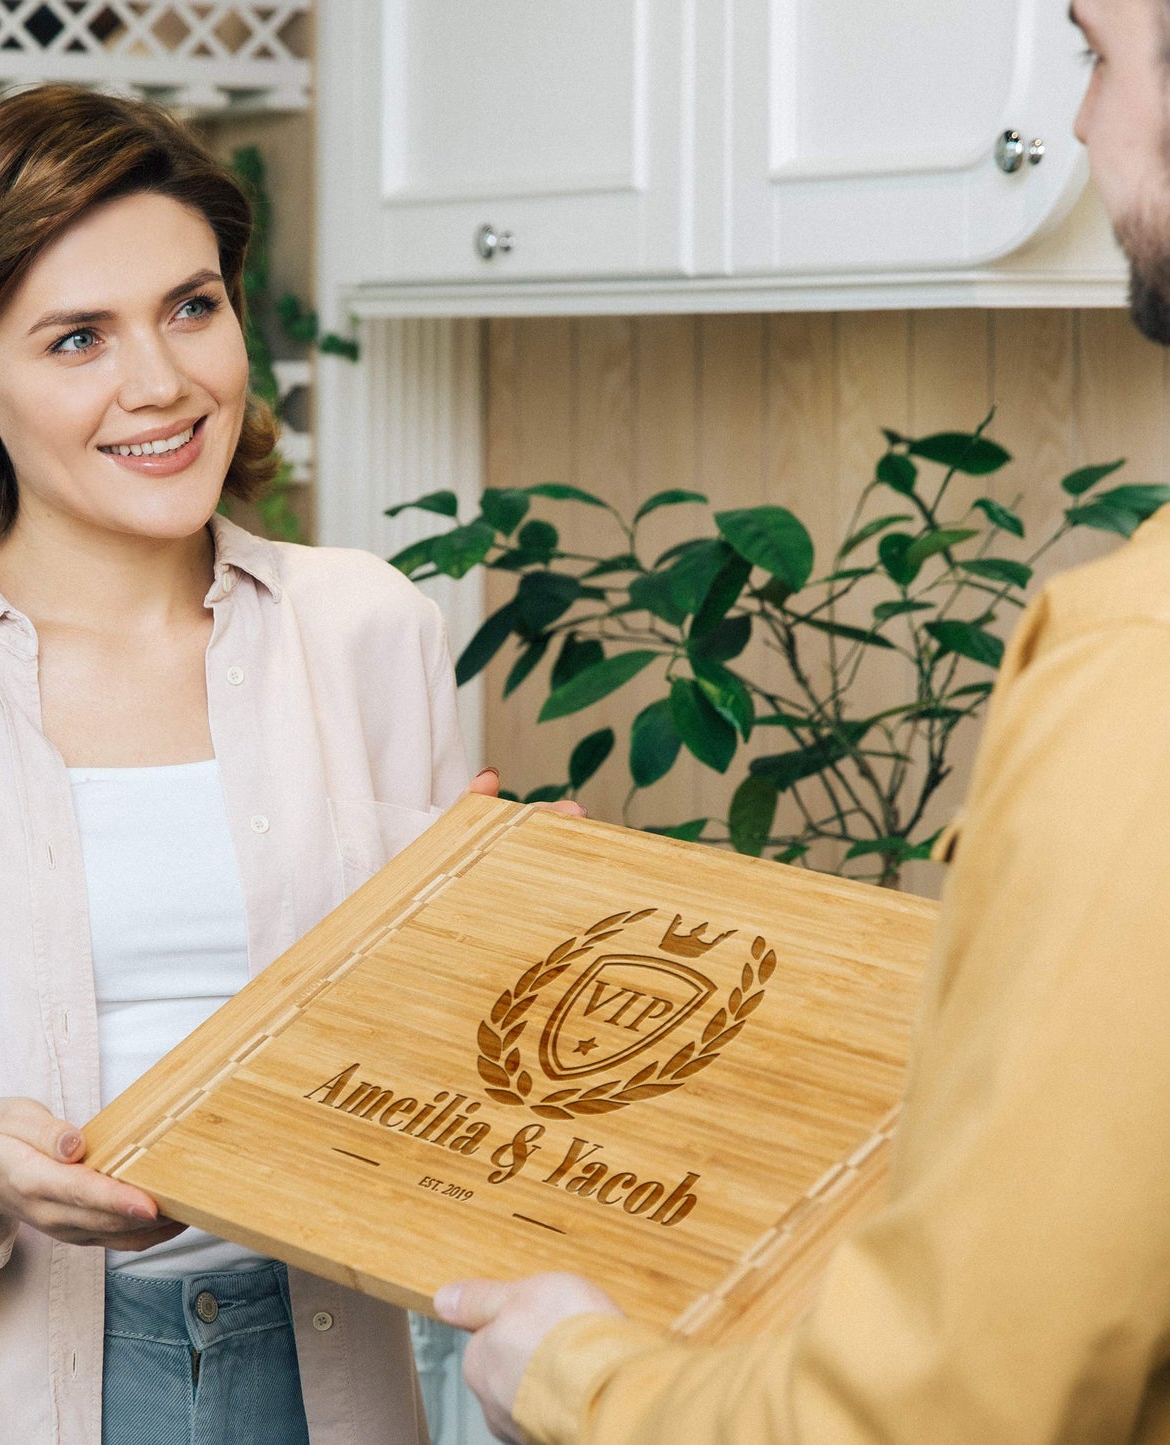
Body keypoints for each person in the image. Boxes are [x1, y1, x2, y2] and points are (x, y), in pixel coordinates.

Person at [0, 82, 572, 1445]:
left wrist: (521, 946)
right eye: (77, 337)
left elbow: (431, 1095)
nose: (162, 382)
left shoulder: (367, 629)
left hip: (327, 1372)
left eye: (192, 306)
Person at [435, 2, 1170, 1441]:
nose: (1076, 122)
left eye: (1099, 52)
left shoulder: (1138, 666)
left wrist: (580, 1373)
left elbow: (948, 1410)